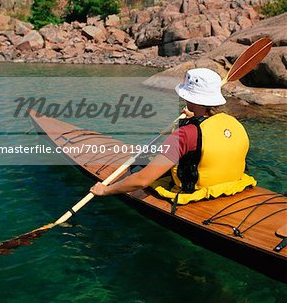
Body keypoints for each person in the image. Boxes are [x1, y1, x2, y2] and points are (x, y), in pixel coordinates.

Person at [90, 68, 256, 204]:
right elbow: (208, 136)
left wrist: (105, 190)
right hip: (231, 186)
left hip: (194, 194)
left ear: (187, 97)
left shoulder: (185, 134)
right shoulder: (233, 123)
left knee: (137, 165)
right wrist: (193, 119)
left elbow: (142, 181)